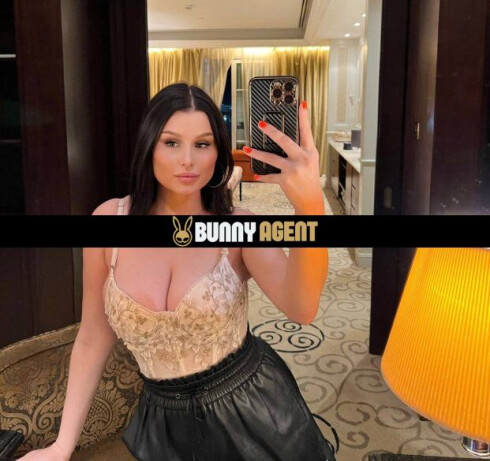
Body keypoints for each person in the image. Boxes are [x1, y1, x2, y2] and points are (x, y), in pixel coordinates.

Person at [18, 83, 333, 461]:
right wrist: (61, 447)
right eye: (171, 142)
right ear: (149, 145)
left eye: (202, 144)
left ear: (218, 151)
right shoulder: (107, 220)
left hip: (253, 413)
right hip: (163, 424)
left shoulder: (238, 226)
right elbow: (93, 336)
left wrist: (310, 207)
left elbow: (302, 308)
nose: (188, 160)